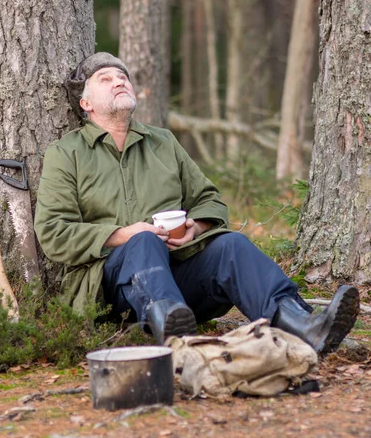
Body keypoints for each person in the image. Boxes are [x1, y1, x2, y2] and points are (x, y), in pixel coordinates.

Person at [34, 52, 360, 352]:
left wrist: (196, 225)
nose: (119, 81)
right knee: (144, 241)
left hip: (179, 281)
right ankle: (177, 341)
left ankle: (303, 324)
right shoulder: (66, 153)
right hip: (113, 293)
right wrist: (125, 235)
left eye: (123, 76)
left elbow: (208, 198)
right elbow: (53, 232)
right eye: (105, 78)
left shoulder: (162, 142)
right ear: (85, 103)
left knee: (230, 245)